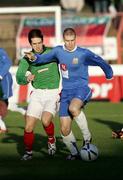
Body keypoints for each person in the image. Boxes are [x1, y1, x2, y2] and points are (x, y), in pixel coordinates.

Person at [25, 27, 113, 160]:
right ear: (64, 40)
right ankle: (74, 153)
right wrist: (34, 58)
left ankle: (87, 138)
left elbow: (100, 61)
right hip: (66, 92)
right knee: (64, 130)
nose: (70, 43)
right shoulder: (58, 51)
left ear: (75, 39)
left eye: (72, 40)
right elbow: (43, 58)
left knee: (73, 108)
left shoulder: (83, 53)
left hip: (81, 89)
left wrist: (109, 74)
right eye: (67, 41)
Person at [16, 29, 60, 160]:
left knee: (46, 121)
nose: (37, 46)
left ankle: (51, 140)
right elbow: (19, 77)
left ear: (43, 40)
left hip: (53, 93)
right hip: (37, 94)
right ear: (30, 43)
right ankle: (28, 153)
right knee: (28, 126)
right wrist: (27, 79)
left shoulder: (53, 52)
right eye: (34, 44)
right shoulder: (27, 58)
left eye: (39, 42)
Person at [0, 48, 13, 134]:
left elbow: (8, 63)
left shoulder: (1, 51)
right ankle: (2, 127)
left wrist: (0, 75)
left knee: (4, 103)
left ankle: (22, 110)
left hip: (4, 81)